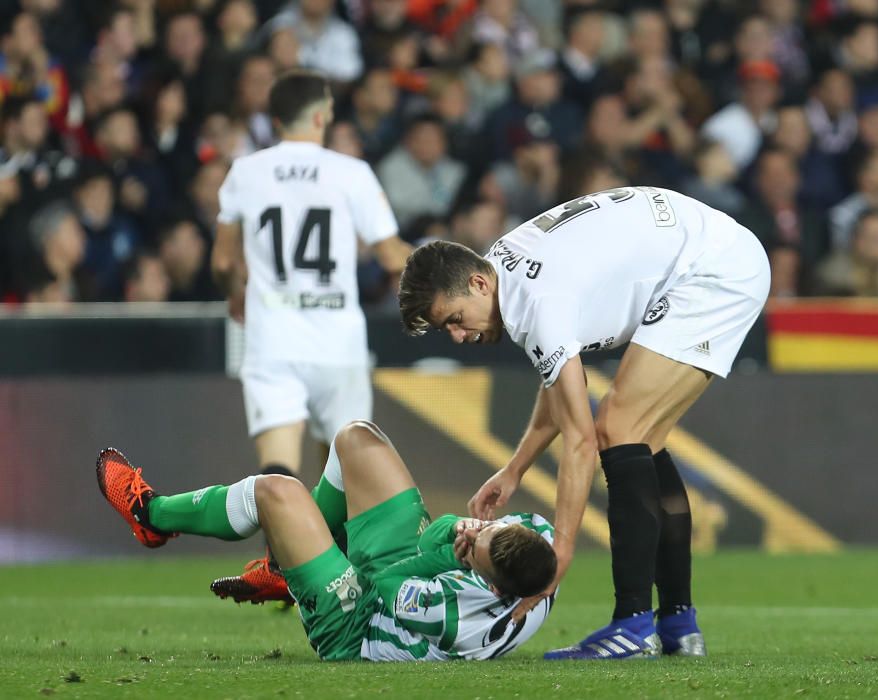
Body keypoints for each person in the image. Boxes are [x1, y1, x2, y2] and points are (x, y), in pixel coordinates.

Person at [398, 186, 770, 659]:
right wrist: (516, 467)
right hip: (711, 252)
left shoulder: (535, 300)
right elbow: (558, 385)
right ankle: (678, 622)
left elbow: (579, 440)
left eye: (454, 319)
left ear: (477, 284)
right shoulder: (506, 273)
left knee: (616, 427)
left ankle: (632, 626)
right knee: (643, 441)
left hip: (713, 269)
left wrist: (562, 552)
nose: (457, 335)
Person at [95, 420, 558, 662]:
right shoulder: (538, 540)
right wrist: (456, 537)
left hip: (357, 622)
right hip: (408, 567)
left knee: (278, 490)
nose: (473, 530)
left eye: (472, 548)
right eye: (488, 528)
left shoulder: (456, 612)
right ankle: (286, 569)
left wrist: (443, 544)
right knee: (356, 439)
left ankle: (151, 515)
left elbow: (374, 579)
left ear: (494, 589)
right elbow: (446, 538)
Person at [211, 69, 410, 600]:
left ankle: (284, 569)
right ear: (322, 115)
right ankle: (335, 580)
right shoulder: (352, 173)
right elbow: (391, 255)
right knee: (342, 461)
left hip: (272, 336)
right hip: (338, 340)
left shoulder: (245, 172)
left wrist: (236, 290)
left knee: (278, 460)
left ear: (274, 119)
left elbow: (223, 259)